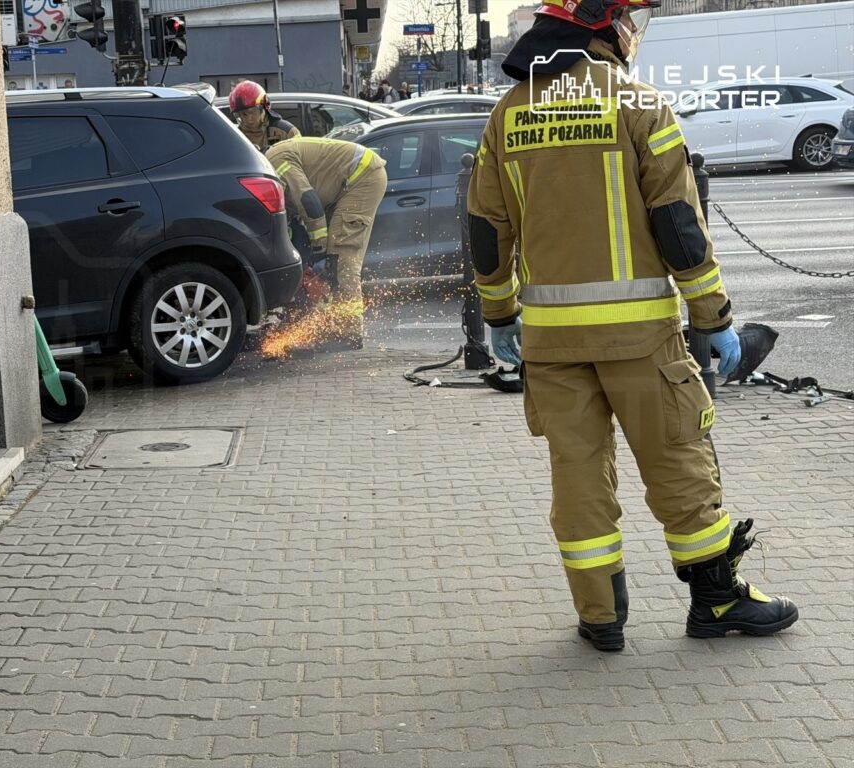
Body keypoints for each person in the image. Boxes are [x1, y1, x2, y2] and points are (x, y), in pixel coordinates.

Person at [468, 0, 797, 651]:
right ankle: (716, 600)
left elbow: (486, 230)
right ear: (604, 26)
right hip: (642, 338)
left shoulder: (507, 114)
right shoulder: (637, 102)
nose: (631, 35)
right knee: (679, 461)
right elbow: (679, 225)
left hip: (550, 345)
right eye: (629, 22)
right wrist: (714, 319)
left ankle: (600, 617)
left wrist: (499, 313)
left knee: (578, 475)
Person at [265, 137, 387, 350]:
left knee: (341, 261)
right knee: (331, 264)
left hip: (362, 177)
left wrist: (319, 250)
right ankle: (333, 324)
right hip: (341, 189)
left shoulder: (276, 161)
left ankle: (349, 332)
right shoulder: (270, 172)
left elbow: (309, 204)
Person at [227, 80, 300, 152]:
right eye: (244, 114)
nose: (249, 119)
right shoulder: (235, 137)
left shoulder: (286, 132)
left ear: (263, 108)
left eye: (252, 112)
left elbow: (301, 157)